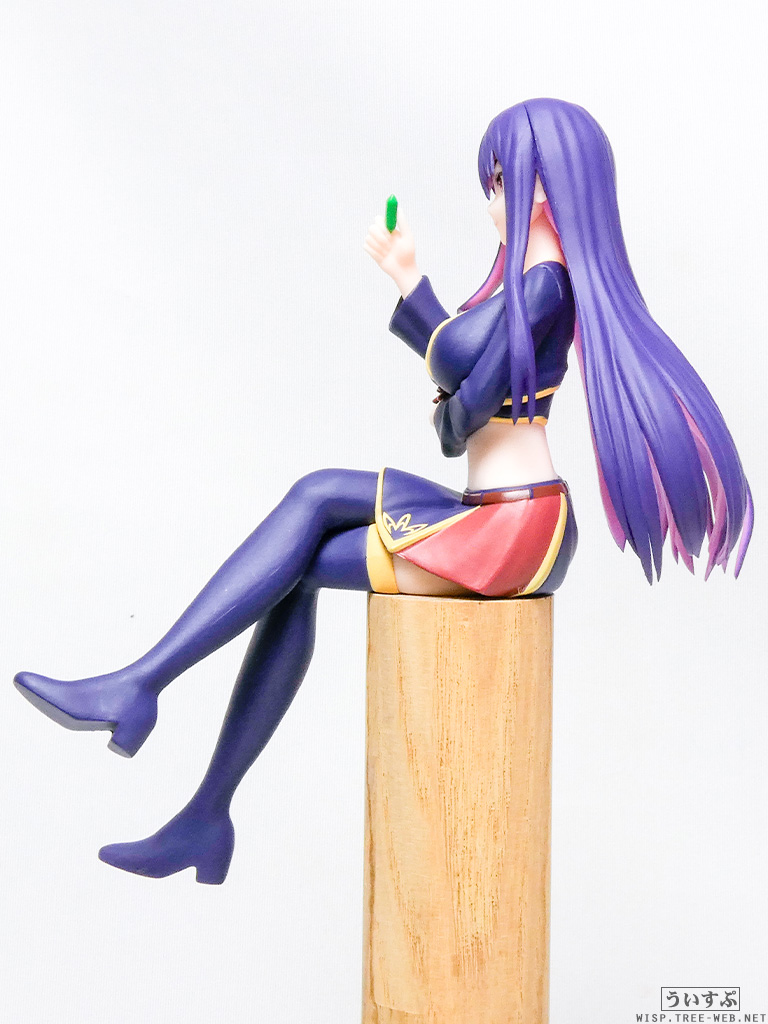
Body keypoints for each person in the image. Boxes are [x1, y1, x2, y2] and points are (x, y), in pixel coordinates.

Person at [14, 98, 752, 884]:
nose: (493, 199)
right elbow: (459, 396)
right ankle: (191, 785)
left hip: (512, 532)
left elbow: (461, 394)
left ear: (543, 186)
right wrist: (437, 342)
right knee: (308, 521)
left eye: (502, 181)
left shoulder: (545, 287)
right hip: (492, 511)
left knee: (306, 533)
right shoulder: (532, 285)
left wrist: (427, 324)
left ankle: (155, 715)